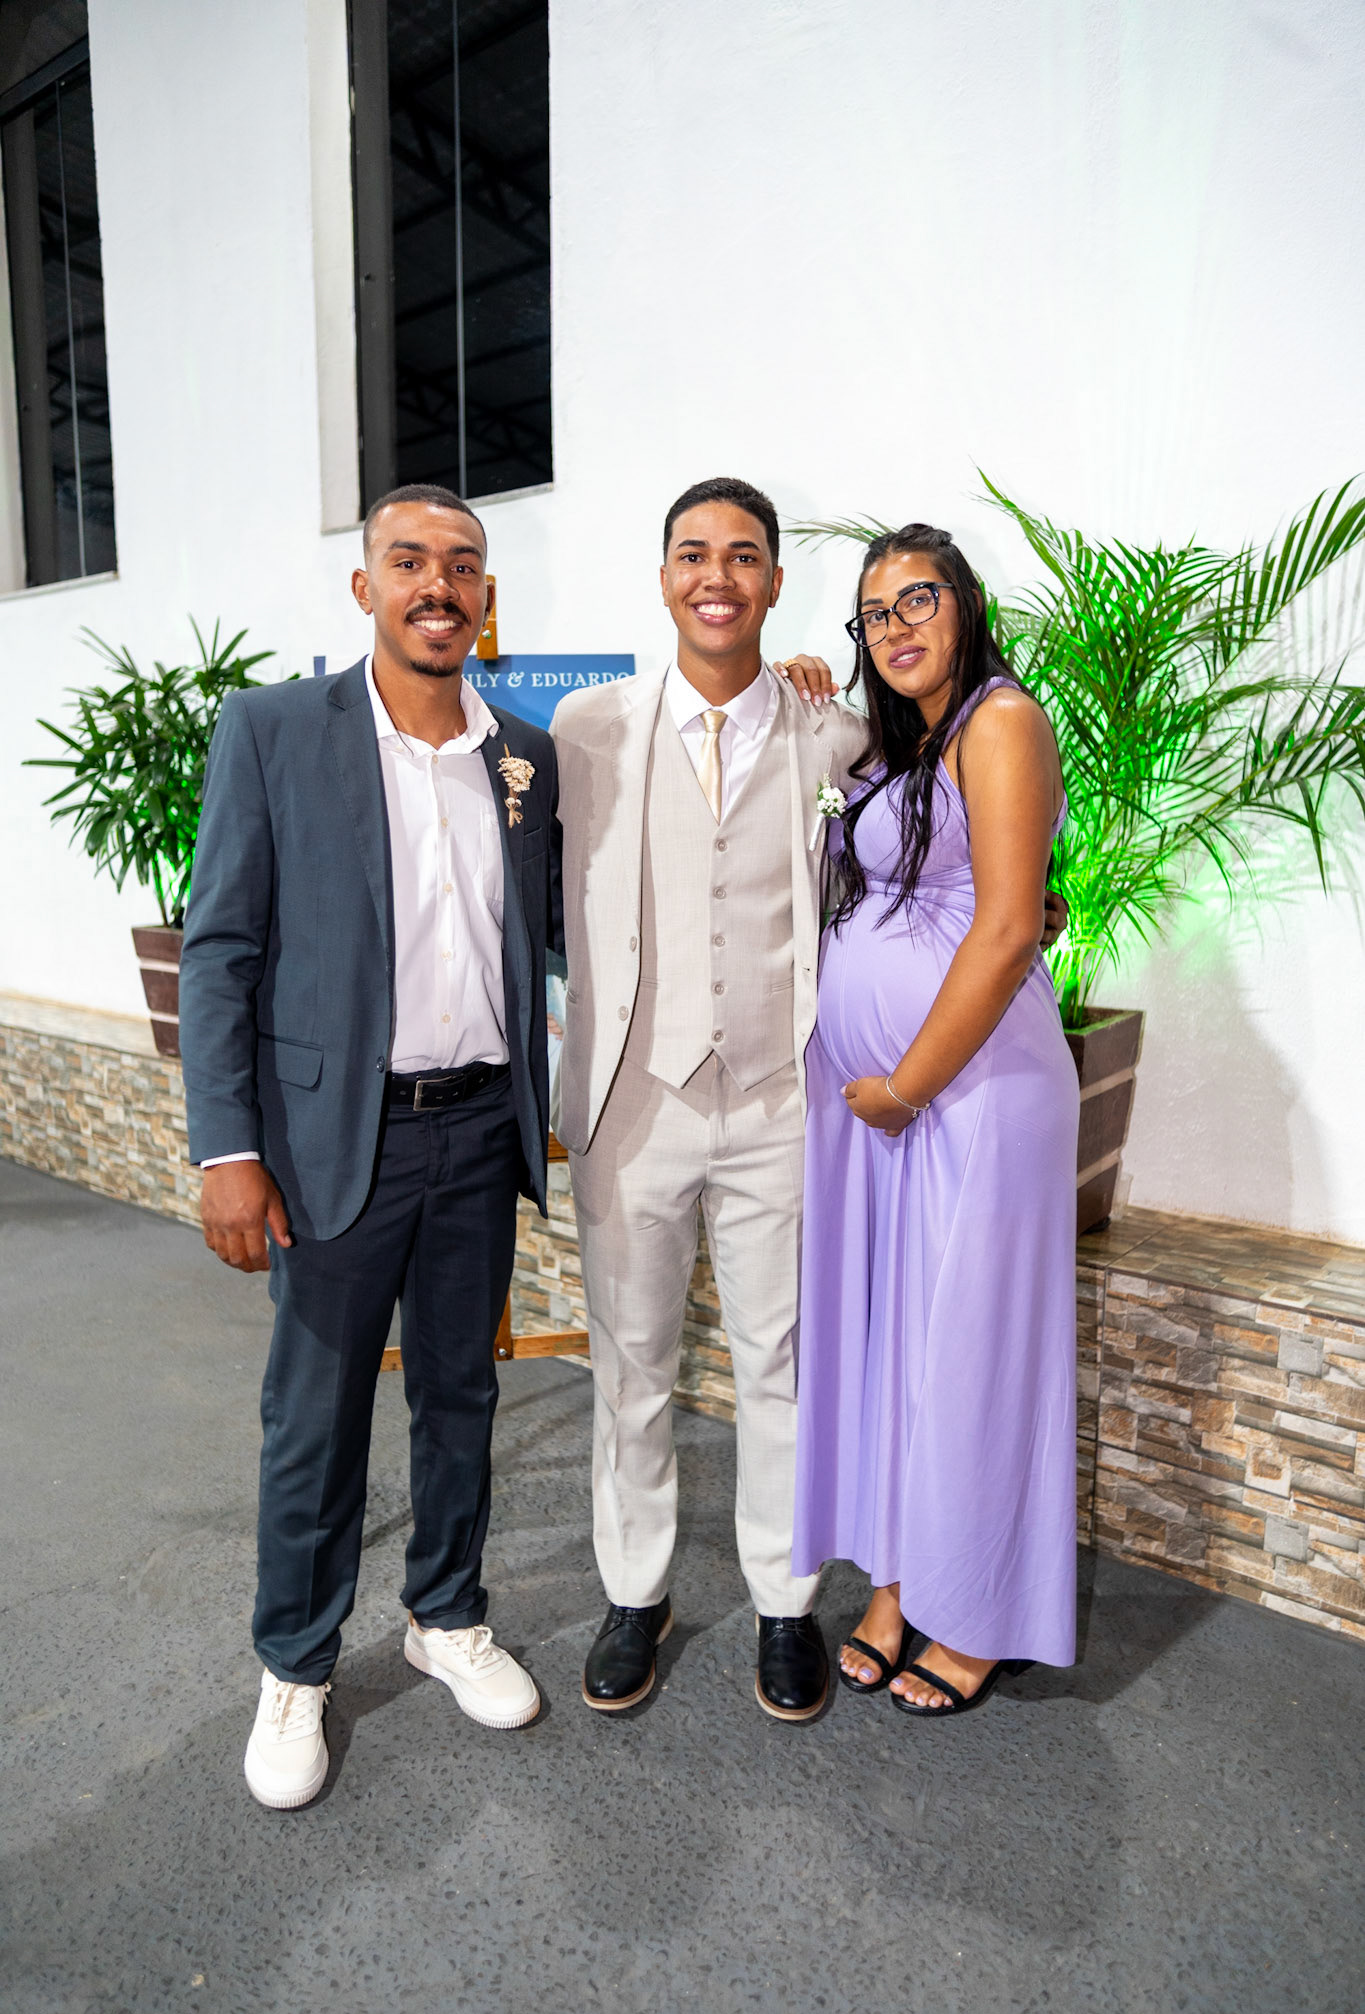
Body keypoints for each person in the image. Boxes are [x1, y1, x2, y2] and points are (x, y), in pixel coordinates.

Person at [180, 485, 561, 1808]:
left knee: (460, 1393)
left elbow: (550, 933)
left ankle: (445, 1614)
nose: (436, 585)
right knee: (317, 1414)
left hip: (479, 1127)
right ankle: (294, 1662)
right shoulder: (276, 730)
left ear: (485, 596)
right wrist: (226, 1149)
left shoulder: (523, 756)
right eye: (409, 561)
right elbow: (220, 948)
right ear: (366, 587)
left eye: (462, 565)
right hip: (336, 1140)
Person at [551, 479, 869, 1720]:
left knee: (777, 1361)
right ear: (664, 576)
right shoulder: (588, 727)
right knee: (630, 1364)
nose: (717, 575)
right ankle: (636, 1591)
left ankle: (786, 1603)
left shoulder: (831, 732)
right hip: (634, 1102)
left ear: (776, 581)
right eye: (694, 553)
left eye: (743, 555)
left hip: (780, 1099)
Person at [791, 522, 1080, 1717]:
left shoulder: (1001, 720)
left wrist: (906, 1085)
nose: (896, 625)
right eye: (875, 612)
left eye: (919, 599)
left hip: (970, 1096)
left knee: (974, 1352)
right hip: (883, 1111)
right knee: (903, 1349)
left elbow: (1008, 928)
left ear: (964, 605)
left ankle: (981, 1613)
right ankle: (904, 1579)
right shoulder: (900, 740)